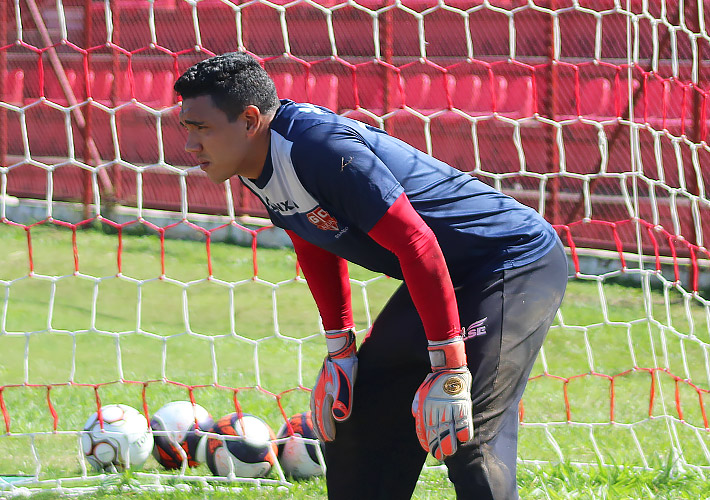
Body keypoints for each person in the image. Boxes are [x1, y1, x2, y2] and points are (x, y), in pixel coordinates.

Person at [173, 51, 568, 500]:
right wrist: (340, 349)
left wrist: (449, 366)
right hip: (445, 273)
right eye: (187, 128)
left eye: (201, 128)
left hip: (512, 262)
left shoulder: (320, 149)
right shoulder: (254, 160)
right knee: (361, 416)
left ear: (248, 120)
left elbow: (416, 242)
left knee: (465, 433)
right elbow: (311, 233)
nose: (190, 145)